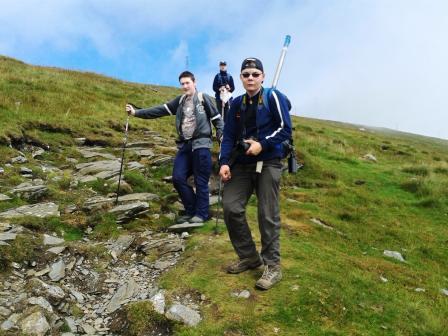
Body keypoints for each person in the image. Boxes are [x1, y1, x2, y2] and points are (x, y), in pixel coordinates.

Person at [218, 58, 292, 290]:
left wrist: (263, 144)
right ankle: (249, 257)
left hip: (269, 162)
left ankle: (272, 266)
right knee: (231, 206)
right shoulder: (236, 104)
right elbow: (228, 135)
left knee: (267, 213)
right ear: (240, 78)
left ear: (262, 76)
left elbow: (285, 129)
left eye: (255, 74)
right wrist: (223, 162)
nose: (250, 78)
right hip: (242, 164)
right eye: (246, 74)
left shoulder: (273, 97)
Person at [126, 71, 224, 224]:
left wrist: (221, 135)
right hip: (185, 146)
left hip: (202, 144)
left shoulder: (202, 98)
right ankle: (191, 211)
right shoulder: (179, 101)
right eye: (182, 83)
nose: (185, 86)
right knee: (178, 178)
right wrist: (135, 112)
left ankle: (202, 214)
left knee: (200, 180)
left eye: (187, 83)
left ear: (194, 82)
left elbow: (217, 120)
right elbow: (158, 111)